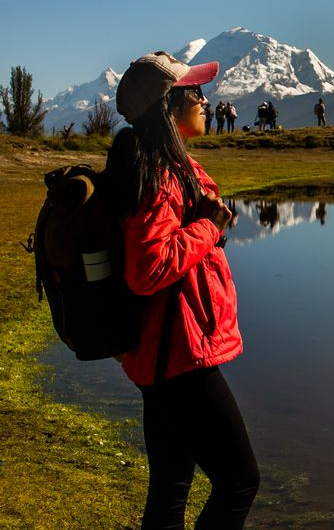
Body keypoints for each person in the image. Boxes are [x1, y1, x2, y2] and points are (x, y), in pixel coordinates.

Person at [107, 51, 258, 528]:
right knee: (239, 482)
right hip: (179, 356)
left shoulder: (162, 168)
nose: (204, 100)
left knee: (171, 492)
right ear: (166, 108)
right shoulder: (160, 178)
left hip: (161, 354)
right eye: (193, 92)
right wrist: (210, 226)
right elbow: (148, 269)